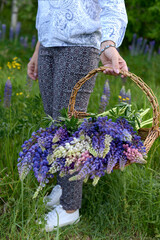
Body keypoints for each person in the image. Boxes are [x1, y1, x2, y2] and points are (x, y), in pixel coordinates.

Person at [27, 0, 128, 232]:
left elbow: (113, 5)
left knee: (68, 126)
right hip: (48, 46)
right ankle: (65, 186)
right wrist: (37, 51)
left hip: (79, 46)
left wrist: (108, 44)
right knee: (54, 123)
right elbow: (48, 10)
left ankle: (70, 209)